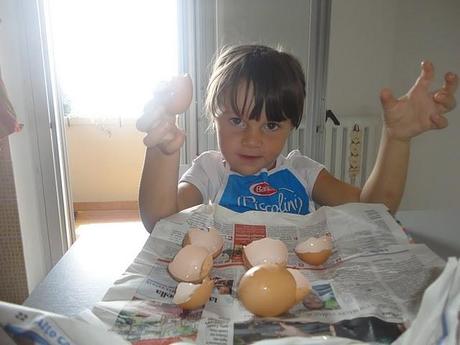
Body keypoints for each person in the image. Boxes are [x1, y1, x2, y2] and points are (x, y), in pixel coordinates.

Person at [137, 44, 457, 232]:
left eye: (272, 125)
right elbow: (160, 222)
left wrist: (397, 139)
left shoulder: (302, 172)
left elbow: (376, 210)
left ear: (292, 125)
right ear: (214, 117)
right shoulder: (209, 170)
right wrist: (163, 153)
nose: (252, 139)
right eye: (237, 120)